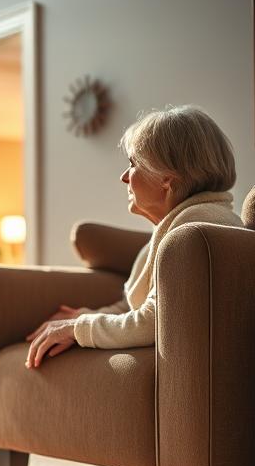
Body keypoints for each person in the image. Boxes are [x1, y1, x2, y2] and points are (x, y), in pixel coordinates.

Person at [25, 105, 242, 369]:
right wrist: (87, 317)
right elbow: (138, 305)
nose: (124, 177)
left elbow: (153, 321)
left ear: (166, 179)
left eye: (133, 163)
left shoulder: (193, 229)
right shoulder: (186, 224)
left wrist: (77, 329)